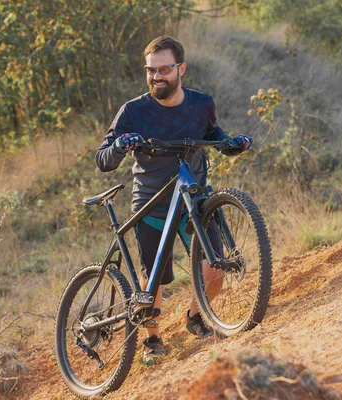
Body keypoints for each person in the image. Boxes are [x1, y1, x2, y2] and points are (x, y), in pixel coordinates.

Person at [95, 36, 252, 361]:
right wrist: (121, 145)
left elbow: (213, 134)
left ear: (181, 68)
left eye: (164, 69)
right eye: (150, 71)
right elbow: (103, 159)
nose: (156, 77)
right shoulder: (133, 111)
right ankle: (152, 339)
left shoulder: (201, 103)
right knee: (154, 282)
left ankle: (196, 317)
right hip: (151, 203)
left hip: (194, 197)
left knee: (216, 271)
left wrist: (231, 143)